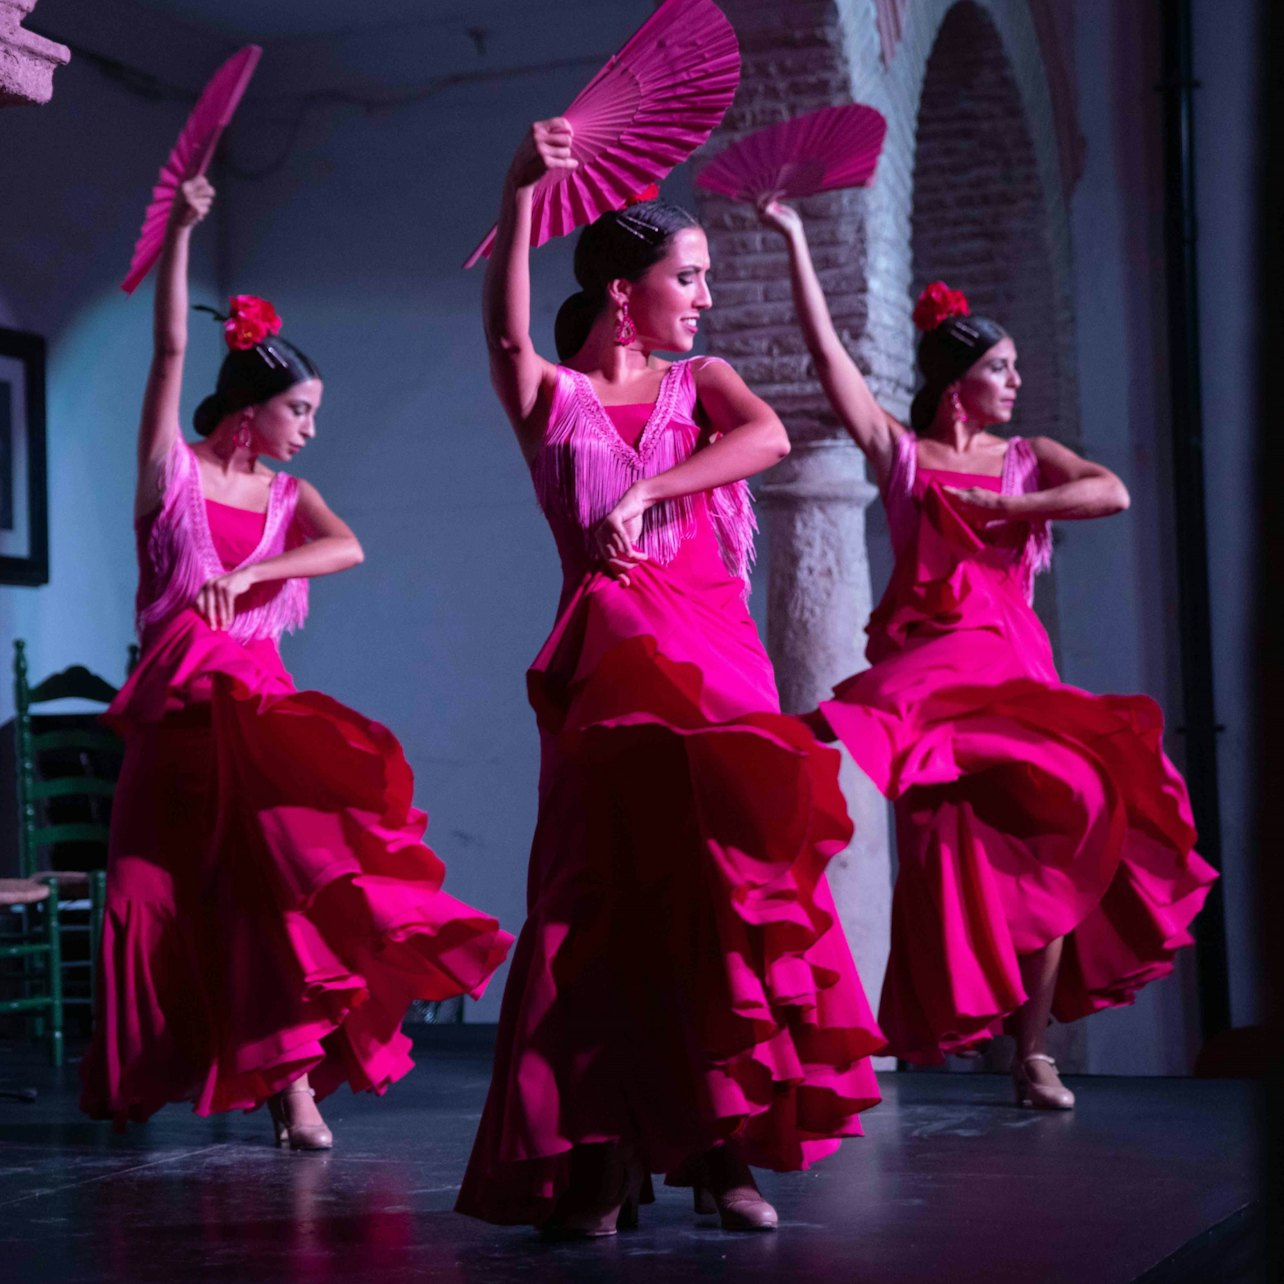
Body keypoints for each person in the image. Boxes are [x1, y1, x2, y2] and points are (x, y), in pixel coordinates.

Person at [455, 119, 883, 1236]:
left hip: (714, 656)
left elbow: (770, 442)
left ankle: (719, 1156)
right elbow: (504, 339)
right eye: (685, 277)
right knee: (598, 905)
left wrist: (646, 495)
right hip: (605, 663)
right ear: (620, 291)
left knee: (722, 896)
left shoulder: (706, 384)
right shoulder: (551, 396)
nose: (701, 295)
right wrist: (517, 189)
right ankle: (596, 1162)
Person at [79, 177, 513, 1146]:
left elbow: (347, 547)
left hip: (257, 716)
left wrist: (262, 569)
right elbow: (167, 352)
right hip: (175, 723)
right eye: (301, 410)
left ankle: (293, 1089)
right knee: (147, 894)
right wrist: (185, 231)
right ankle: (142, 1082)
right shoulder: (173, 473)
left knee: (278, 888)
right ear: (252, 408)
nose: (311, 427)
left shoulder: (288, 497)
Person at [757, 197, 1217, 1108]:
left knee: (1075, 814)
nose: (1014, 381)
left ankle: (1034, 1048)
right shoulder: (903, 455)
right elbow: (828, 362)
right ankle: (952, 1035)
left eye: (1014, 367)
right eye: (1001, 368)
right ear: (961, 377)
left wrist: (1017, 511)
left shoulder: (1025, 459)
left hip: (1015, 679)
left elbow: (1114, 493)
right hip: (930, 693)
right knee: (950, 864)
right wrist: (796, 239)